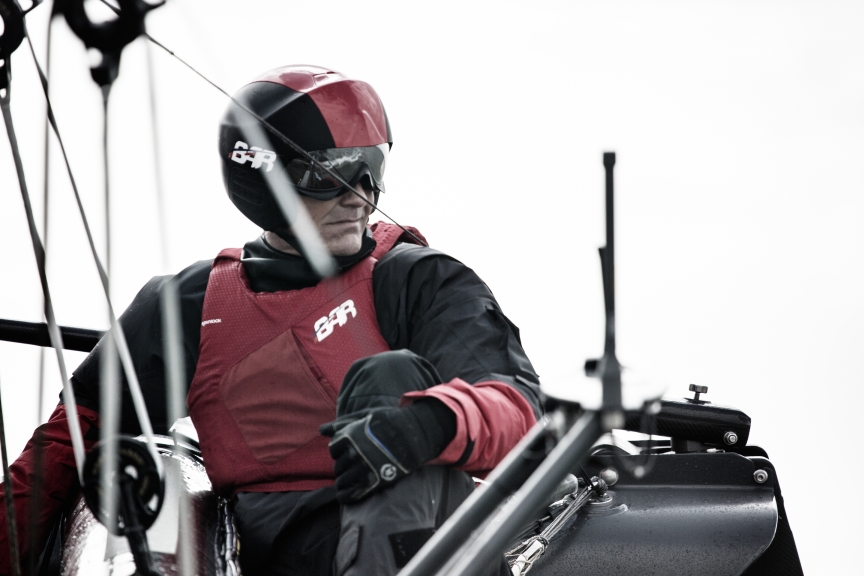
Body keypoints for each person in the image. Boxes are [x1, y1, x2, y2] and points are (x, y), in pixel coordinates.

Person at [0, 65, 542, 576]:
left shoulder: (416, 280)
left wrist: (432, 423)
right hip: (262, 551)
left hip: (417, 542)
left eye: (371, 170)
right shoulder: (191, 305)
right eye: (328, 173)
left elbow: (516, 411)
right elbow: (62, 449)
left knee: (388, 377)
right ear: (263, 181)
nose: (361, 197)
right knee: (135, 465)